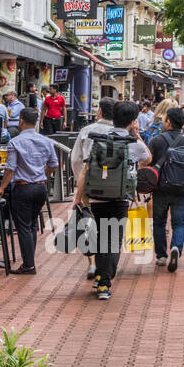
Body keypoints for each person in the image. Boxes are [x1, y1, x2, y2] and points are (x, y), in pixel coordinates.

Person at [72, 100, 152, 300]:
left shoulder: (98, 139)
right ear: (133, 121)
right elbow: (148, 158)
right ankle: (105, 282)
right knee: (114, 241)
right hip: (120, 198)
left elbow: (85, 171)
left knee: (100, 238)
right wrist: (137, 134)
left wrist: (78, 196)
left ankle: (101, 275)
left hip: (97, 197)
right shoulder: (133, 144)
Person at [0, 107, 57, 275]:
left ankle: (29, 264)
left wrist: (2, 187)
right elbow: (54, 164)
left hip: (23, 187)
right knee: (33, 223)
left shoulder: (15, 142)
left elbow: (10, 168)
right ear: (36, 122)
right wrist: (44, 176)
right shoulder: (46, 141)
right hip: (40, 187)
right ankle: (30, 261)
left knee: (23, 226)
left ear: (21, 120)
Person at [148, 107, 184, 272]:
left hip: (160, 189)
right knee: (179, 223)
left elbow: (147, 162)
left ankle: (161, 256)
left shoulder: (157, 140)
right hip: (182, 189)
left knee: (159, 222)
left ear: (168, 122)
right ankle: (176, 248)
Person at [72, 97, 115, 281]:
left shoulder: (86, 131)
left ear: (99, 112)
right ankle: (106, 266)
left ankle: (92, 264)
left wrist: (80, 183)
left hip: (90, 185)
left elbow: (75, 160)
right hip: (114, 189)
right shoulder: (119, 132)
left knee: (90, 224)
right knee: (110, 227)